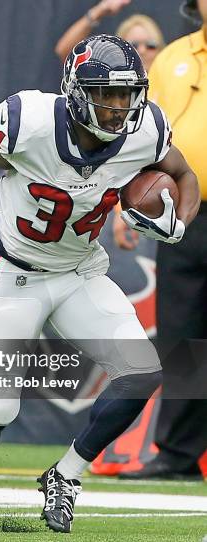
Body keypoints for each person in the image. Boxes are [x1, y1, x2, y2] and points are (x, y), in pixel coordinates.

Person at [0, 35, 200, 532]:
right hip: (17, 276)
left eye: (127, 94)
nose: (118, 108)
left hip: (80, 273)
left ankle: (66, 475)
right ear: (74, 90)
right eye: (105, 94)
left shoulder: (146, 128)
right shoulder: (30, 121)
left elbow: (183, 173)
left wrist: (180, 222)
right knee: (0, 411)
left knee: (141, 370)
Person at [117, 0, 207, 481]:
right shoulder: (173, 56)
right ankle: (178, 452)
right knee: (183, 336)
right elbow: (148, 136)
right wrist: (125, 202)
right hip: (188, 212)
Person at [55, 1, 164, 71]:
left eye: (151, 46)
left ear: (161, 50)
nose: (142, 51)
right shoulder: (107, 80)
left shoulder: (170, 79)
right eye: (133, 45)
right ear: (118, 52)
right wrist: (99, 10)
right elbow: (67, 53)